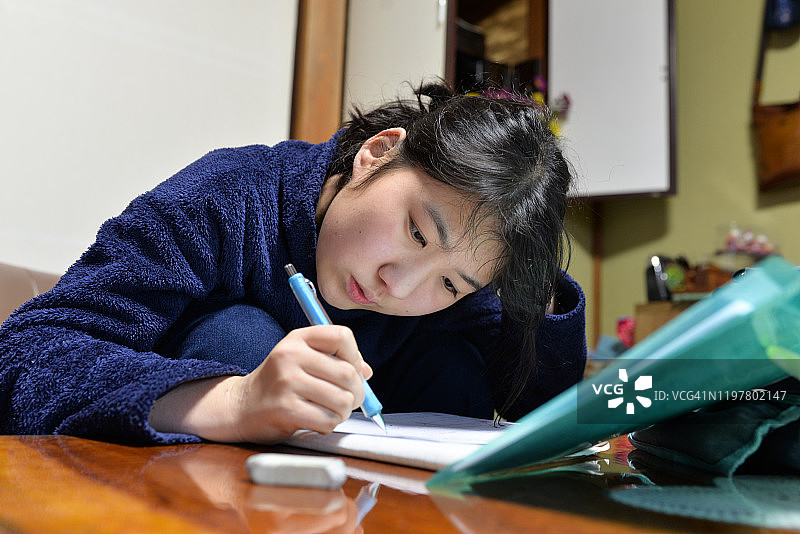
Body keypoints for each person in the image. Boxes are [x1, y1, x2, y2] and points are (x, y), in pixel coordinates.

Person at [0, 81, 586, 445]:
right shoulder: (228, 196)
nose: (399, 284)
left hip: (366, 503)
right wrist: (234, 400)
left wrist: (533, 288)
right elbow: (25, 352)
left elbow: (544, 411)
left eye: (451, 283)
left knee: (453, 370)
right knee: (241, 335)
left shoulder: (454, 278)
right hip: (188, 493)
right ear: (378, 152)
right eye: (415, 231)